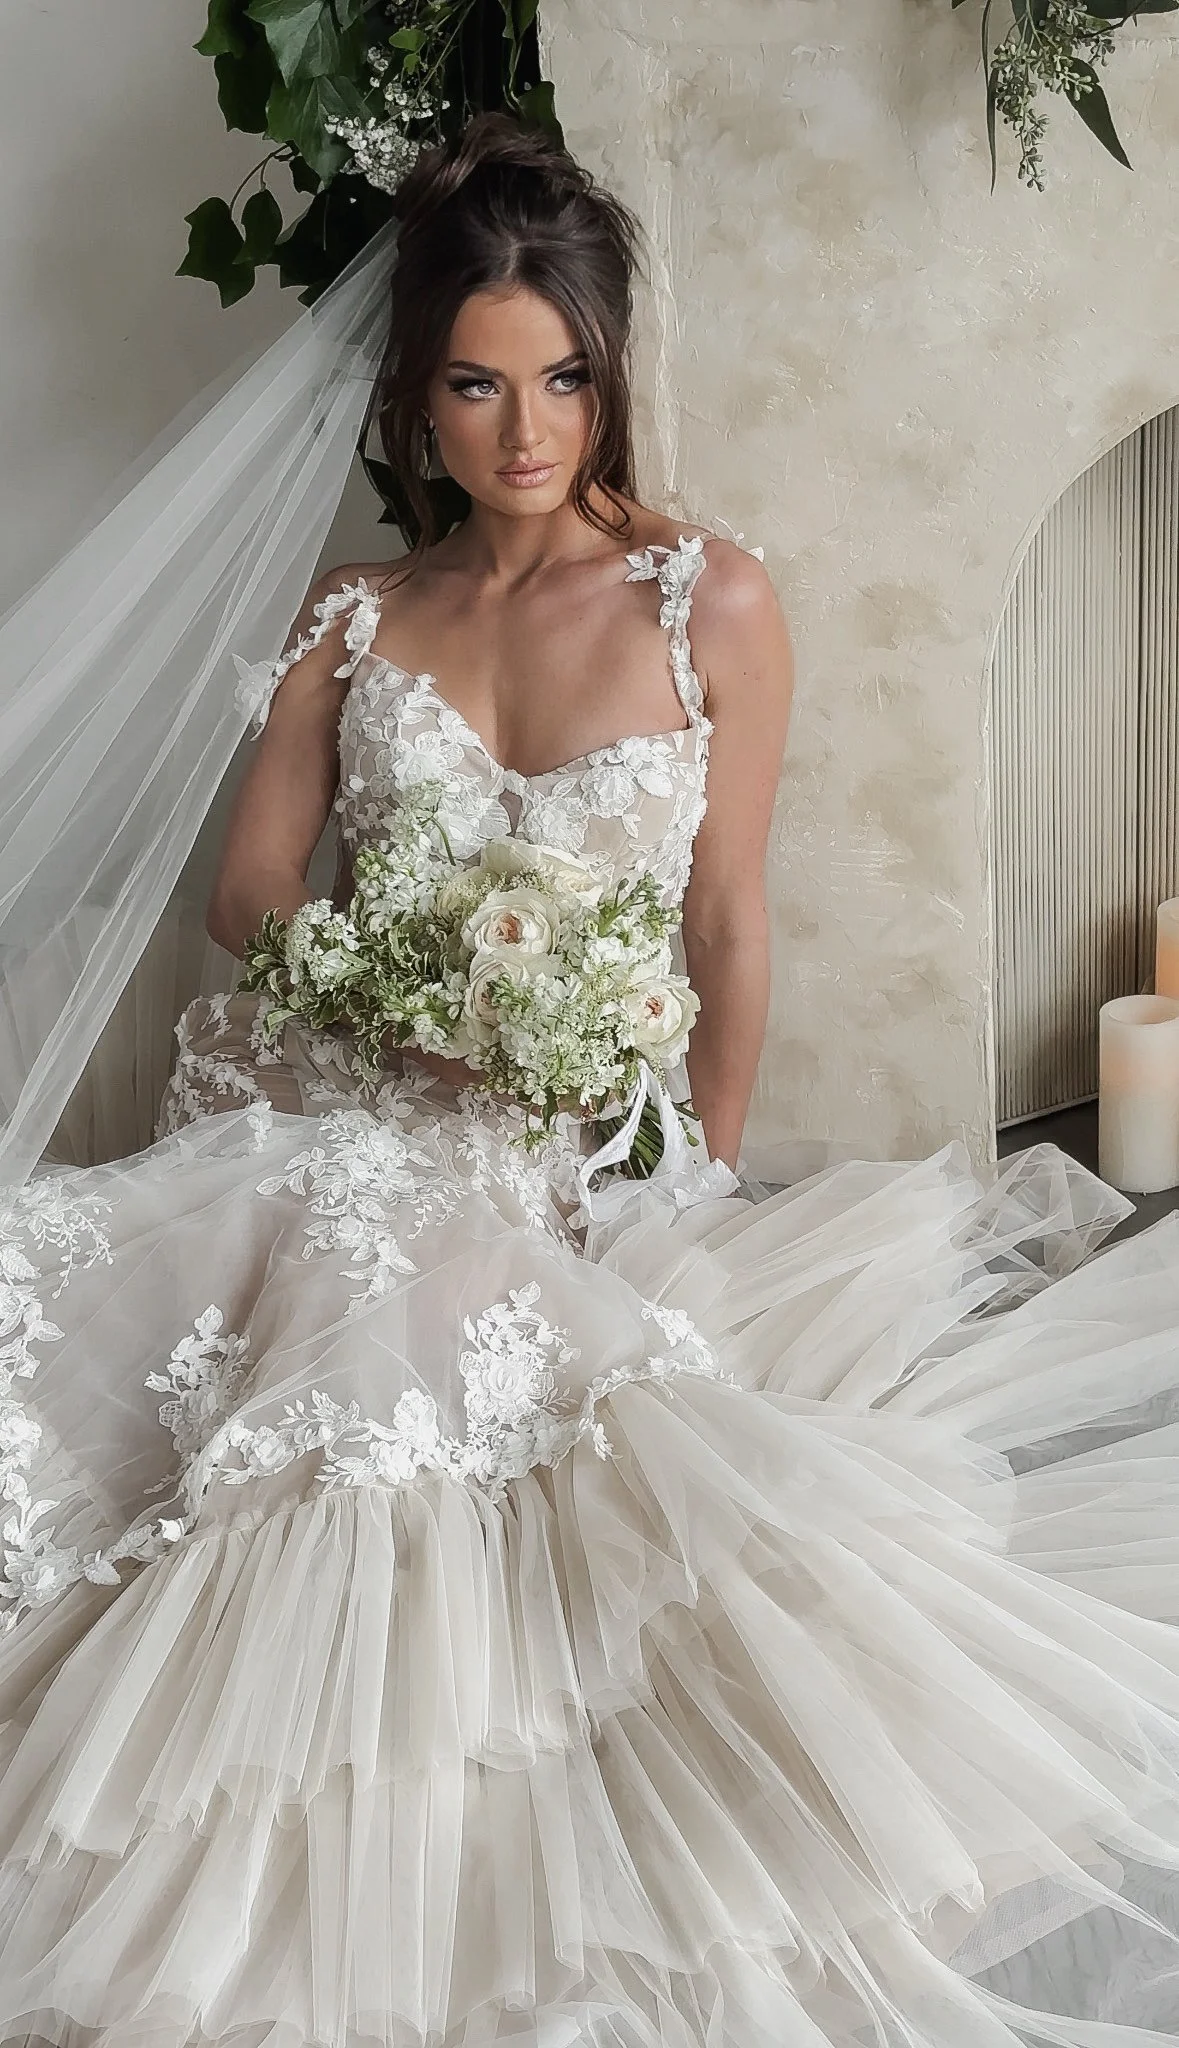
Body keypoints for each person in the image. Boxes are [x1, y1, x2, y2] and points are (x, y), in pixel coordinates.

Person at [1, 110, 1179, 2048]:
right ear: (415, 398)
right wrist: (415, 995)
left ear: (610, 375)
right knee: (265, 1266)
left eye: (560, 377)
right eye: (475, 383)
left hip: (587, 1149)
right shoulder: (356, 617)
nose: (524, 428)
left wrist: (682, 1180)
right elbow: (247, 896)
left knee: (434, 1340)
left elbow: (725, 927)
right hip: (373, 1112)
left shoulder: (707, 599)